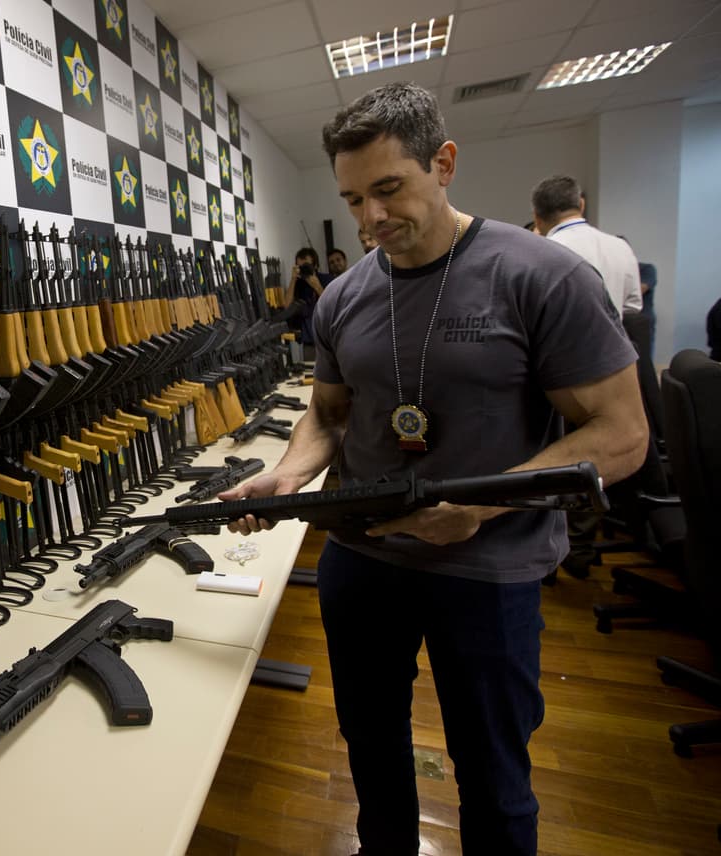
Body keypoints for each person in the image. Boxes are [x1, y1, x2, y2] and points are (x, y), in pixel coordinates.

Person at [220, 82, 647, 855]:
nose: (371, 219)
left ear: (443, 163)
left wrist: (481, 509)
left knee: (492, 777)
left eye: (389, 189)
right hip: (362, 563)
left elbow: (622, 435)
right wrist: (289, 476)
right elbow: (328, 412)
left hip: (488, 571)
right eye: (353, 200)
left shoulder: (540, 276)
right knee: (373, 759)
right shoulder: (343, 297)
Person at [531, 175, 641, 317]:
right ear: (582, 205)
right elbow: (632, 306)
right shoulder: (620, 246)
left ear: (536, 217)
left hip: (561, 338)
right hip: (610, 337)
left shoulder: (541, 252)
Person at [285, 246, 329, 357]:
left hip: (329, 341)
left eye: (306, 266)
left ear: (315, 265)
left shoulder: (327, 280)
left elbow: (333, 306)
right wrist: (293, 279)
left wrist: (318, 287)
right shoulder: (298, 285)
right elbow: (287, 307)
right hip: (309, 342)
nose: (304, 269)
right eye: (300, 266)